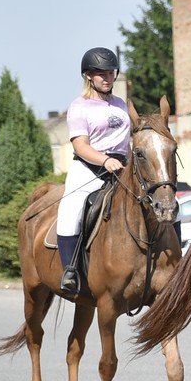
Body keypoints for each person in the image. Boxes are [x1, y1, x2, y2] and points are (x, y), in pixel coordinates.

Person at [57, 47, 131, 296]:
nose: (107, 78)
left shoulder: (121, 104)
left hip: (122, 166)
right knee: (72, 209)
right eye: (101, 73)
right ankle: (70, 271)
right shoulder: (79, 106)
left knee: (161, 202)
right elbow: (80, 145)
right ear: (88, 75)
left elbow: (127, 140)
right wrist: (104, 160)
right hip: (89, 168)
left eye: (111, 73)